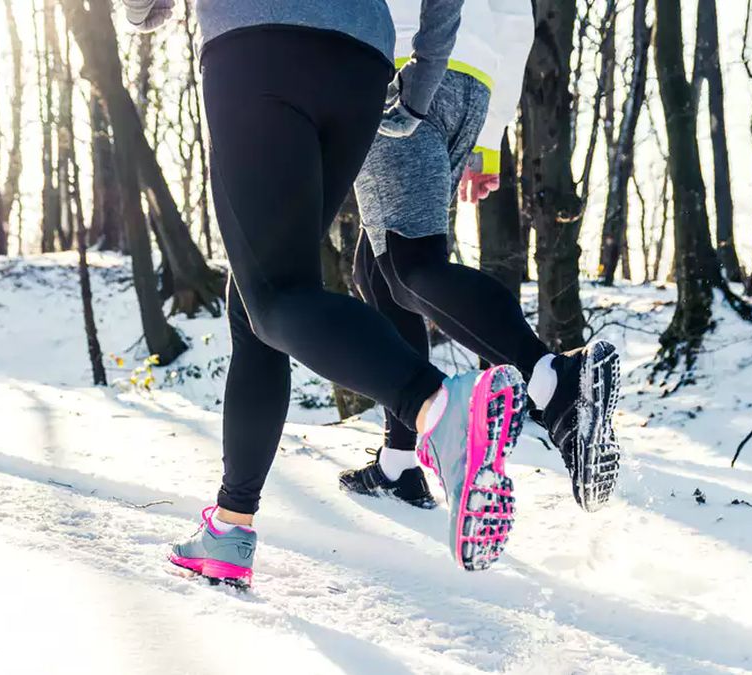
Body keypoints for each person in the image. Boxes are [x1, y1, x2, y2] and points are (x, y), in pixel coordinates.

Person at [122, 0, 529, 586]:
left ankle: (438, 406)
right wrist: (424, 72)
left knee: (276, 295)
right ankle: (230, 528)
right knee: (260, 301)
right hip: (360, 63)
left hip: (257, 47)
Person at [337, 0, 623, 516]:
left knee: (408, 267)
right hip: (469, 81)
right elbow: (515, 20)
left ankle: (554, 381)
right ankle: (399, 464)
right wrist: (488, 135)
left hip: (402, 67)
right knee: (377, 272)